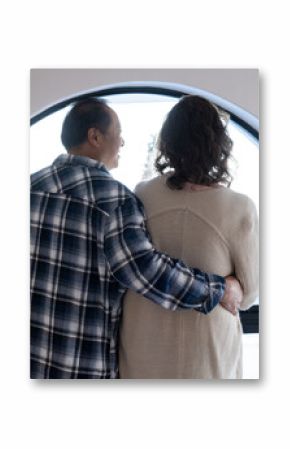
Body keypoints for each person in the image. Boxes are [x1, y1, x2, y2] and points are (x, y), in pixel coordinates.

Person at [30, 98, 242, 379]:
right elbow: (145, 270)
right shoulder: (113, 199)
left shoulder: (30, 187)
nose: (122, 142)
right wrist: (217, 290)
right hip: (81, 366)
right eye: (118, 132)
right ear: (95, 136)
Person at [119, 95, 259, 379]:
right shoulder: (239, 207)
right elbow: (248, 296)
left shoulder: (142, 194)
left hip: (143, 351)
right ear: (218, 145)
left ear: (167, 143)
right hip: (207, 358)